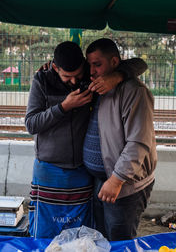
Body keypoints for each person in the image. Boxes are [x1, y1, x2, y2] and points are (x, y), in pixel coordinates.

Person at [25, 41, 147, 238]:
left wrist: (117, 75)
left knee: (81, 232)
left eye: (78, 75)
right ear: (55, 67)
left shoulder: (92, 78)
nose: (74, 82)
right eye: (67, 77)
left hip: (82, 173)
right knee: (46, 230)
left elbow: (139, 64)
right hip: (50, 169)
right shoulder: (42, 80)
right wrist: (64, 107)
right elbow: (31, 124)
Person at [83, 38, 157, 241]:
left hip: (123, 185)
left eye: (97, 64)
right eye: (89, 65)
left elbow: (139, 143)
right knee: (102, 238)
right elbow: (138, 64)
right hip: (101, 180)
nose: (91, 71)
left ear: (115, 62)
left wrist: (116, 179)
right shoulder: (99, 86)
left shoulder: (135, 92)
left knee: (119, 241)